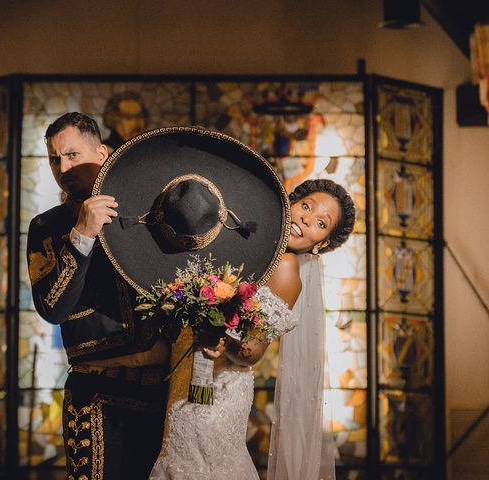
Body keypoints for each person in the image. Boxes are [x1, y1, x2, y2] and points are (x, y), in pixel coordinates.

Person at [148, 178, 355, 480]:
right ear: (290, 204)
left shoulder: (285, 267)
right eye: (306, 206)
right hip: (183, 373)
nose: (306, 218)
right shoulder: (247, 245)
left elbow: (252, 351)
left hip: (219, 387)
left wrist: (222, 339)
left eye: (320, 223)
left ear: (321, 244)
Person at [26, 112, 169, 480]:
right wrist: (82, 235)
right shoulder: (46, 227)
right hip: (94, 392)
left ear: (102, 152)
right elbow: (52, 308)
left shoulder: (146, 211)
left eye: (73, 154)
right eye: (55, 159)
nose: (63, 167)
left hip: (162, 391)